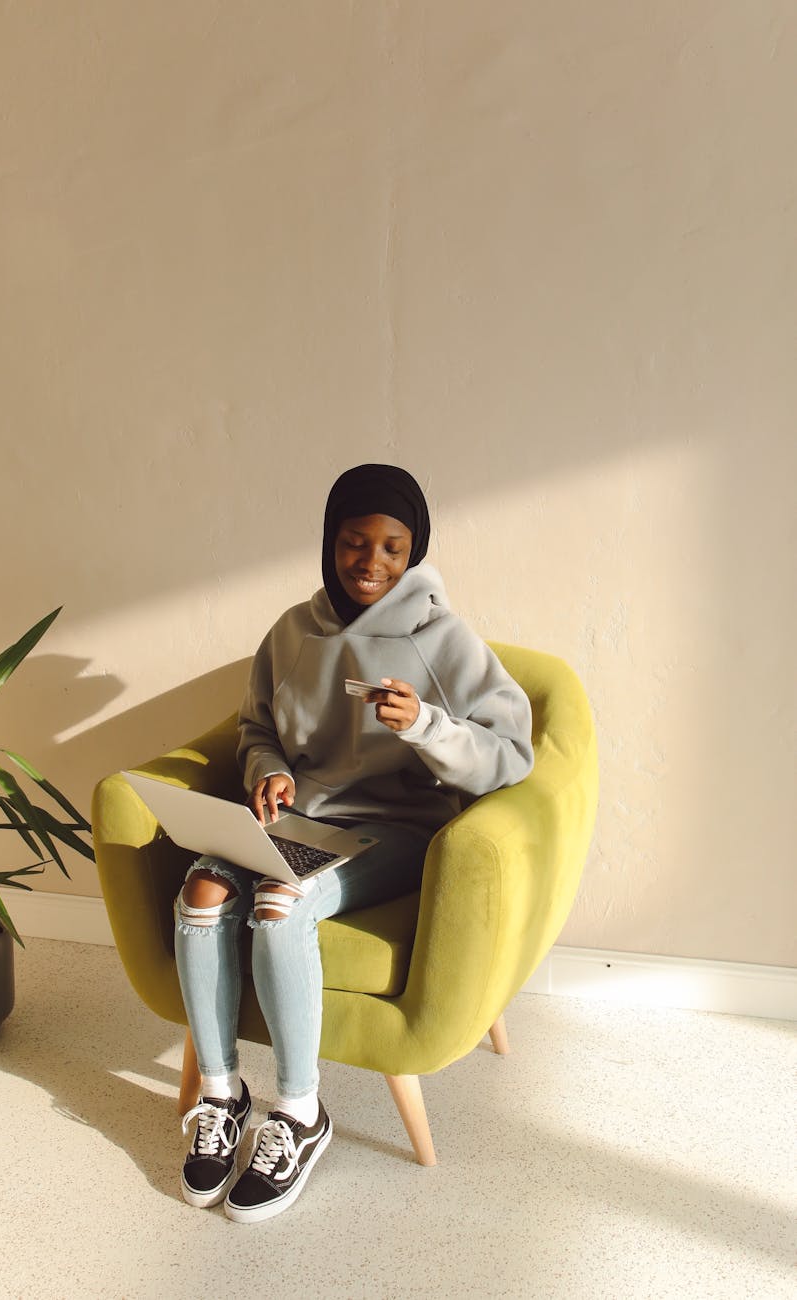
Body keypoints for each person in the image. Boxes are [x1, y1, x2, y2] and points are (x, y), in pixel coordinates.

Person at [174, 463, 534, 1223]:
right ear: (328, 544)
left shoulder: (444, 639)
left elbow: (510, 756)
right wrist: (267, 770)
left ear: (414, 551)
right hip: (299, 820)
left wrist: (427, 726)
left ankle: (300, 1113)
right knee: (201, 892)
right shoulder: (293, 631)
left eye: (392, 547)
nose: (371, 561)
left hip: (394, 830)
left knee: (280, 901)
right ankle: (220, 1096)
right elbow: (256, 728)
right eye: (352, 542)